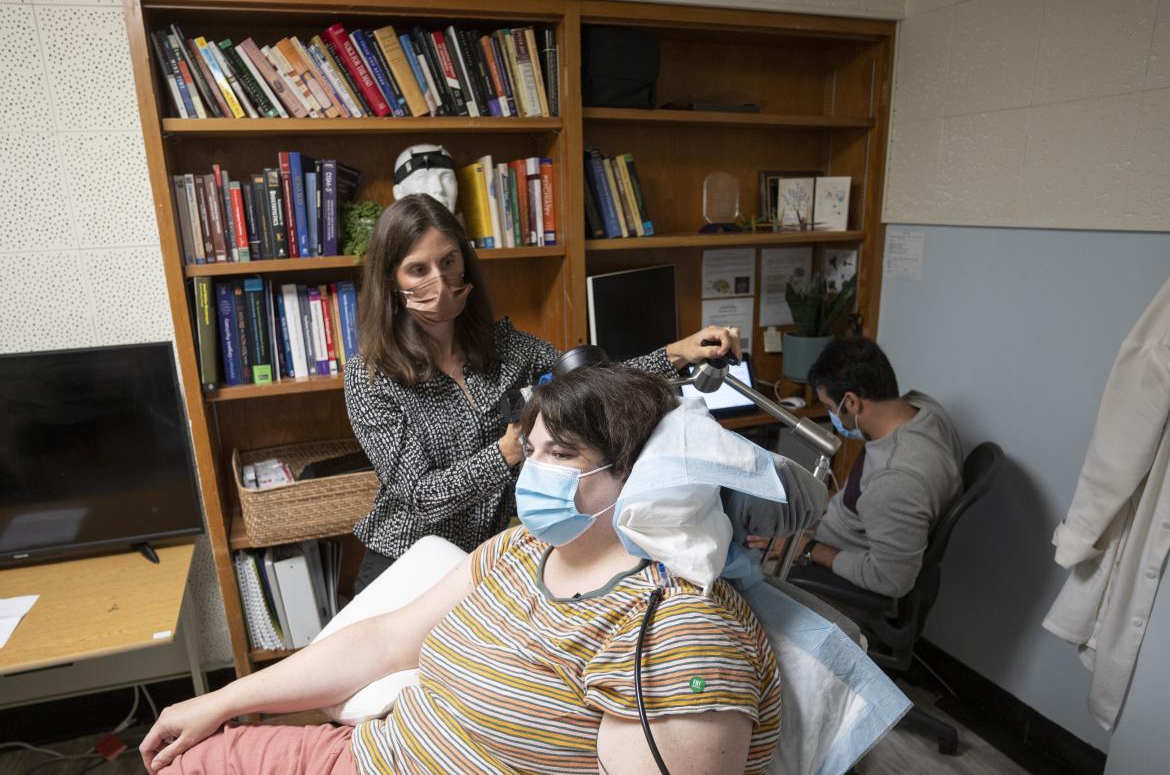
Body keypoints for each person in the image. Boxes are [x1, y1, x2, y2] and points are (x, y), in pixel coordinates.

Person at [139, 365, 782, 775]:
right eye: (530, 452)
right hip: (370, 754)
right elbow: (387, 642)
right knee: (185, 757)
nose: (532, 474)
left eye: (560, 454)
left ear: (640, 474)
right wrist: (217, 701)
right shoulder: (520, 551)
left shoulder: (676, 637)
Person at [345, 194, 740, 592]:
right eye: (418, 269)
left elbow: (589, 381)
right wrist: (509, 452)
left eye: (448, 261)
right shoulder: (371, 375)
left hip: (486, 561)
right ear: (391, 281)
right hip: (406, 561)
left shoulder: (504, 345)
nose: (440, 280)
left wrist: (677, 353)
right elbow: (420, 496)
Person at [753, 337, 962, 598]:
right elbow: (870, 500)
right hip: (834, 526)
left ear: (851, 402)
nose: (831, 415)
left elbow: (890, 579)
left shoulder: (896, 478)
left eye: (830, 407)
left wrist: (805, 548)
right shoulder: (924, 408)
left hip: (830, 565)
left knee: (746, 573)